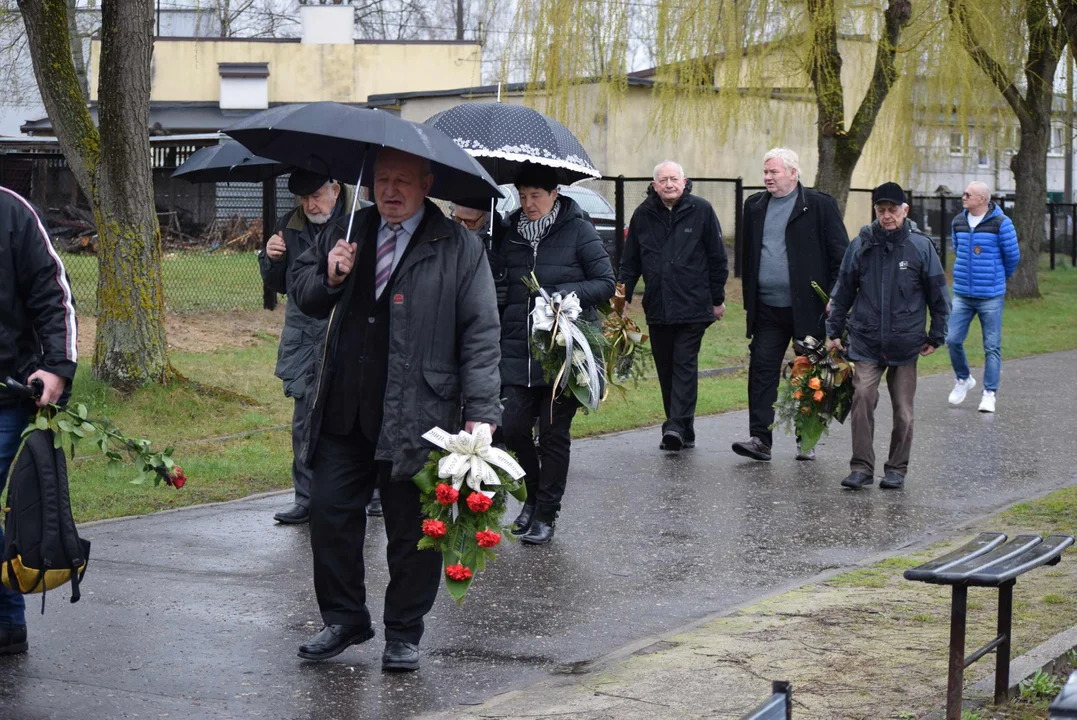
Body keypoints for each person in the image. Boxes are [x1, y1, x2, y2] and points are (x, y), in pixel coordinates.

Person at [289, 148, 502, 671]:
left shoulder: (457, 246)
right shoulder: (350, 229)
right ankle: (345, 618)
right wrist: (331, 276)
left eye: (402, 181)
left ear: (427, 183)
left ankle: (404, 632)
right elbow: (303, 292)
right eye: (382, 180)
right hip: (346, 409)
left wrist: (481, 411)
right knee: (330, 514)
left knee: (412, 532)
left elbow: (480, 333)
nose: (390, 191)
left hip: (420, 412)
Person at [495, 164, 615, 546]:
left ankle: (547, 513)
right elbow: (498, 285)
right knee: (511, 428)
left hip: (562, 349)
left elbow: (605, 283)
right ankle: (530, 498)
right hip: (516, 346)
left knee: (552, 434)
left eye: (537, 196)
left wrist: (562, 293)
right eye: (523, 195)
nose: (529, 204)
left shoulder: (578, 229)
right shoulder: (509, 234)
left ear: (555, 196)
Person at [260, 171, 383, 522]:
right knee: (303, 419)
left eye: (315, 195)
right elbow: (280, 285)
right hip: (303, 336)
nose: (309, 204)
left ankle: (372, 492)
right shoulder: (290, 225)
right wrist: (272, 259)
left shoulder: (363, 219)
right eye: (303, 198)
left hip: (346, 333)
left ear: (334, 188)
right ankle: (305, 497)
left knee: (361, 412)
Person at [826, 182, 950, 490]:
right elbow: (842, 291)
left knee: (904, 411)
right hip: (866, 339)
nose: (886, 216)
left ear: (905, 210)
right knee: (862, 397)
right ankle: (861, 467)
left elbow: (938, 295)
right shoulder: (862, 244)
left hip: (906, 342)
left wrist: (936, 335)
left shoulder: (921, 247)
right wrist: (834, 332)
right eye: (881, 211)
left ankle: (896, 468)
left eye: (892, 210)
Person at [0, 184, 78, 655]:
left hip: (7, 393)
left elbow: (54, 296)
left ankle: (8, 621)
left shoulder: (13, 213)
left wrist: (57, 368)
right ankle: (8, 622)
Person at [732, 148, 849, 462]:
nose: (768, 177)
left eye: (774, 172)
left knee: (810, 374)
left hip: (808, 309)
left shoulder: (820, 205)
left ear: (793, 173)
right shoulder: (754, 206)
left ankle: (806, 439)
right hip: (767, 308)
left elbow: (842, 258)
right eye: (766, 172)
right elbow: (748, 255)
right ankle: (760, 439)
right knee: (762, 371)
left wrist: (835, 299)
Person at [618, 160, 728, 451]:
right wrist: (622, 300)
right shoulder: (643, 215)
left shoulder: (701, 211)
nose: (668, 184)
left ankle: (675, 427)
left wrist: (717, 299)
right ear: (654, 185)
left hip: (693, 306)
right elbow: (630, 263)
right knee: (666, 368)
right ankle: (683, 429)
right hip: (658, 307)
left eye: (673, 179)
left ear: (684, 181)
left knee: (684, 364)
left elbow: (717, 258)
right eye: (663, 180)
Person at [946, 182, 1019, 414]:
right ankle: (963, 379)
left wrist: (996, 278)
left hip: (990, 296)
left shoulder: (1002, 223)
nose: (963, 196)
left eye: (968, 194)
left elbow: (1012, 258)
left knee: (991, 346)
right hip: (962, 294)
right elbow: (958, 249)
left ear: (983, 199)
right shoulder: (958, 221)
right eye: (964, 192)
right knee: (952, 339)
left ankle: (989, 393)